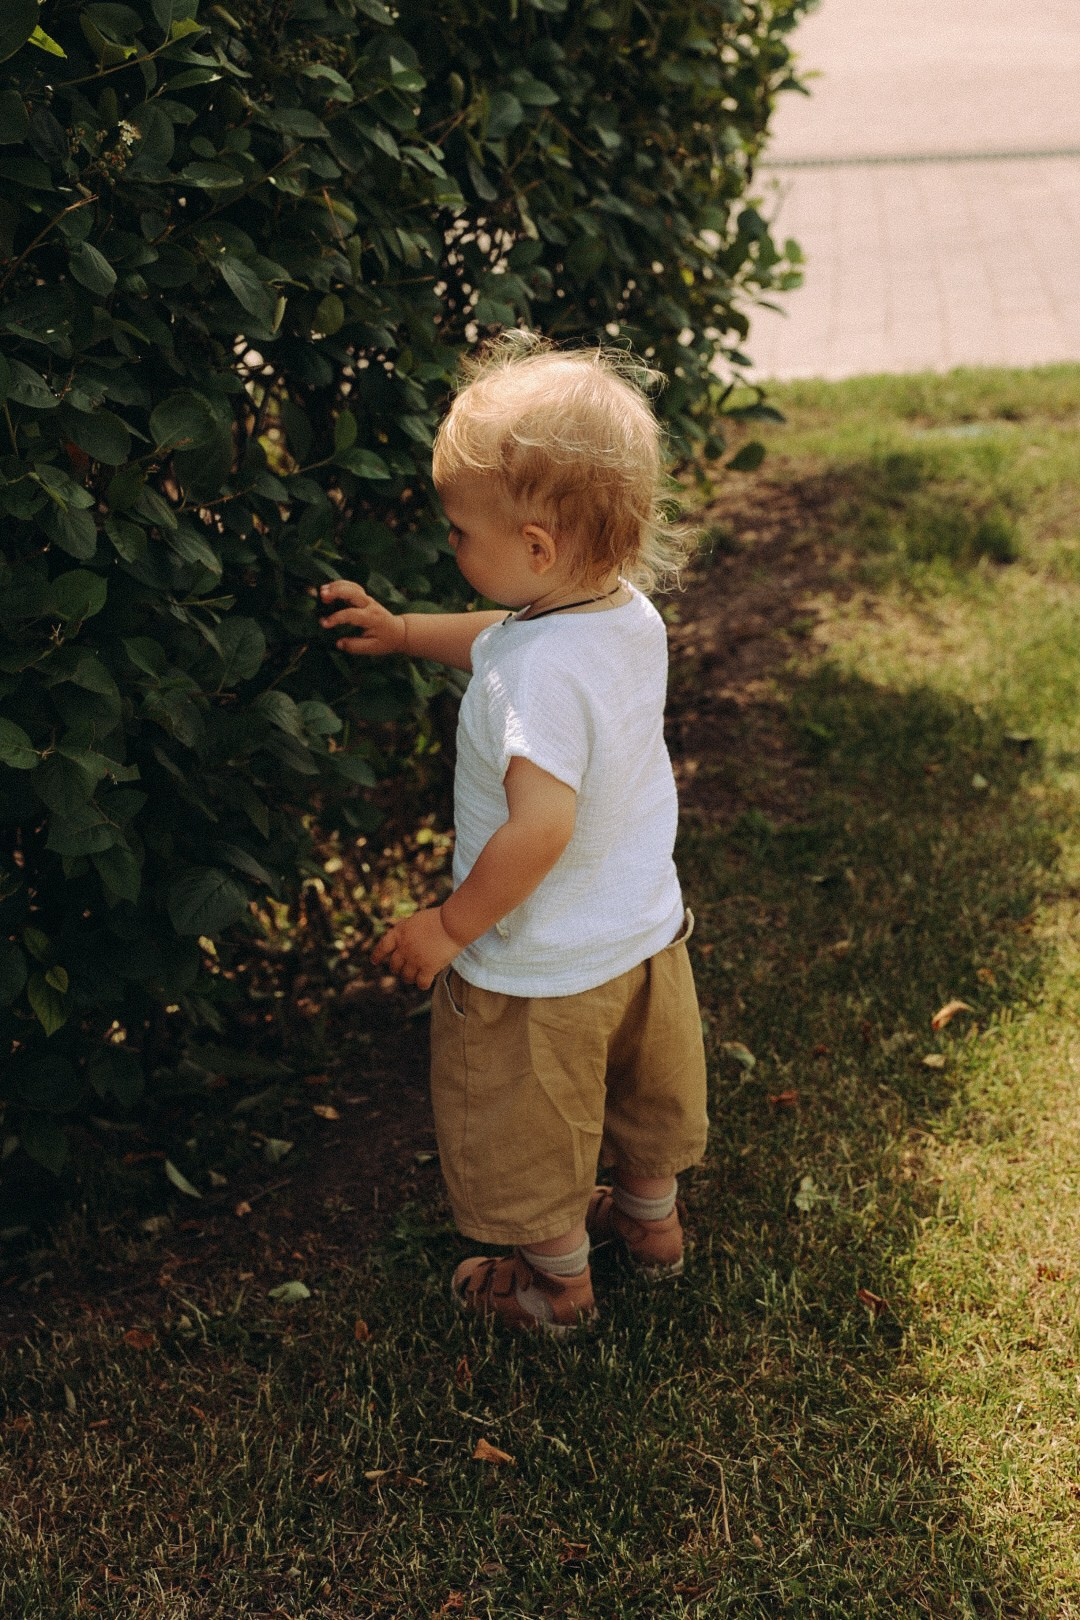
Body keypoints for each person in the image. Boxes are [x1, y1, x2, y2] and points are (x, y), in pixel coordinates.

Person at [314, 333, 709, 1336]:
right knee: (638, 1097)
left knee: (531, 1129)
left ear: (535, 549)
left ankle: (557, 1286)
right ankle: (654, 1230)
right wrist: (407, 631)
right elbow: (503, 636)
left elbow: (540, 828)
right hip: (641, 939)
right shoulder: (622, 618)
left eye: (459, 533)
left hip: (540, 970)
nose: (451, 546)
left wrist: (452, 925)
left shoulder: (535, 672)